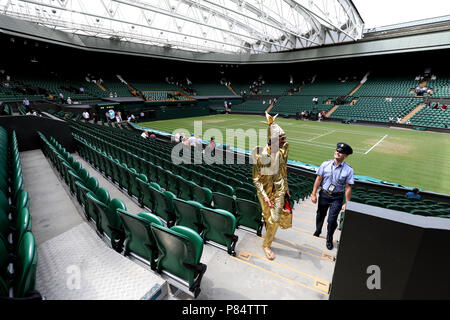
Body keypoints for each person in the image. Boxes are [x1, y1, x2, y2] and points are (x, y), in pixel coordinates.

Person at [252, 113, 290, 261]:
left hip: (278, 191)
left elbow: (283, 171)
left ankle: (267, 240)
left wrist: (285, 188)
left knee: (273, 219)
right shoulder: (259, 155)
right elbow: (256, 179)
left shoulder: (280, 154)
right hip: (265, 193)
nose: (285, 141)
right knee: (269, 218)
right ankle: (267, 240)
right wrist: (266, 197)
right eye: (282, 139)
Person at [311, 142, 354, 250]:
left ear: (345, 156)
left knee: (331, 220)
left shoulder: (349, 170)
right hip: (324, 194)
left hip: (337, 198)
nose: (338, 153)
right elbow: (318, 179)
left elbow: (348, 187)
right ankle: (318, 229)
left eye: (341, 152)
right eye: (337, 150)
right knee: (320, 215)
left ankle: (329, 238)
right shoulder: (325, 164)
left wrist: (347, 203)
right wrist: (313, 194)